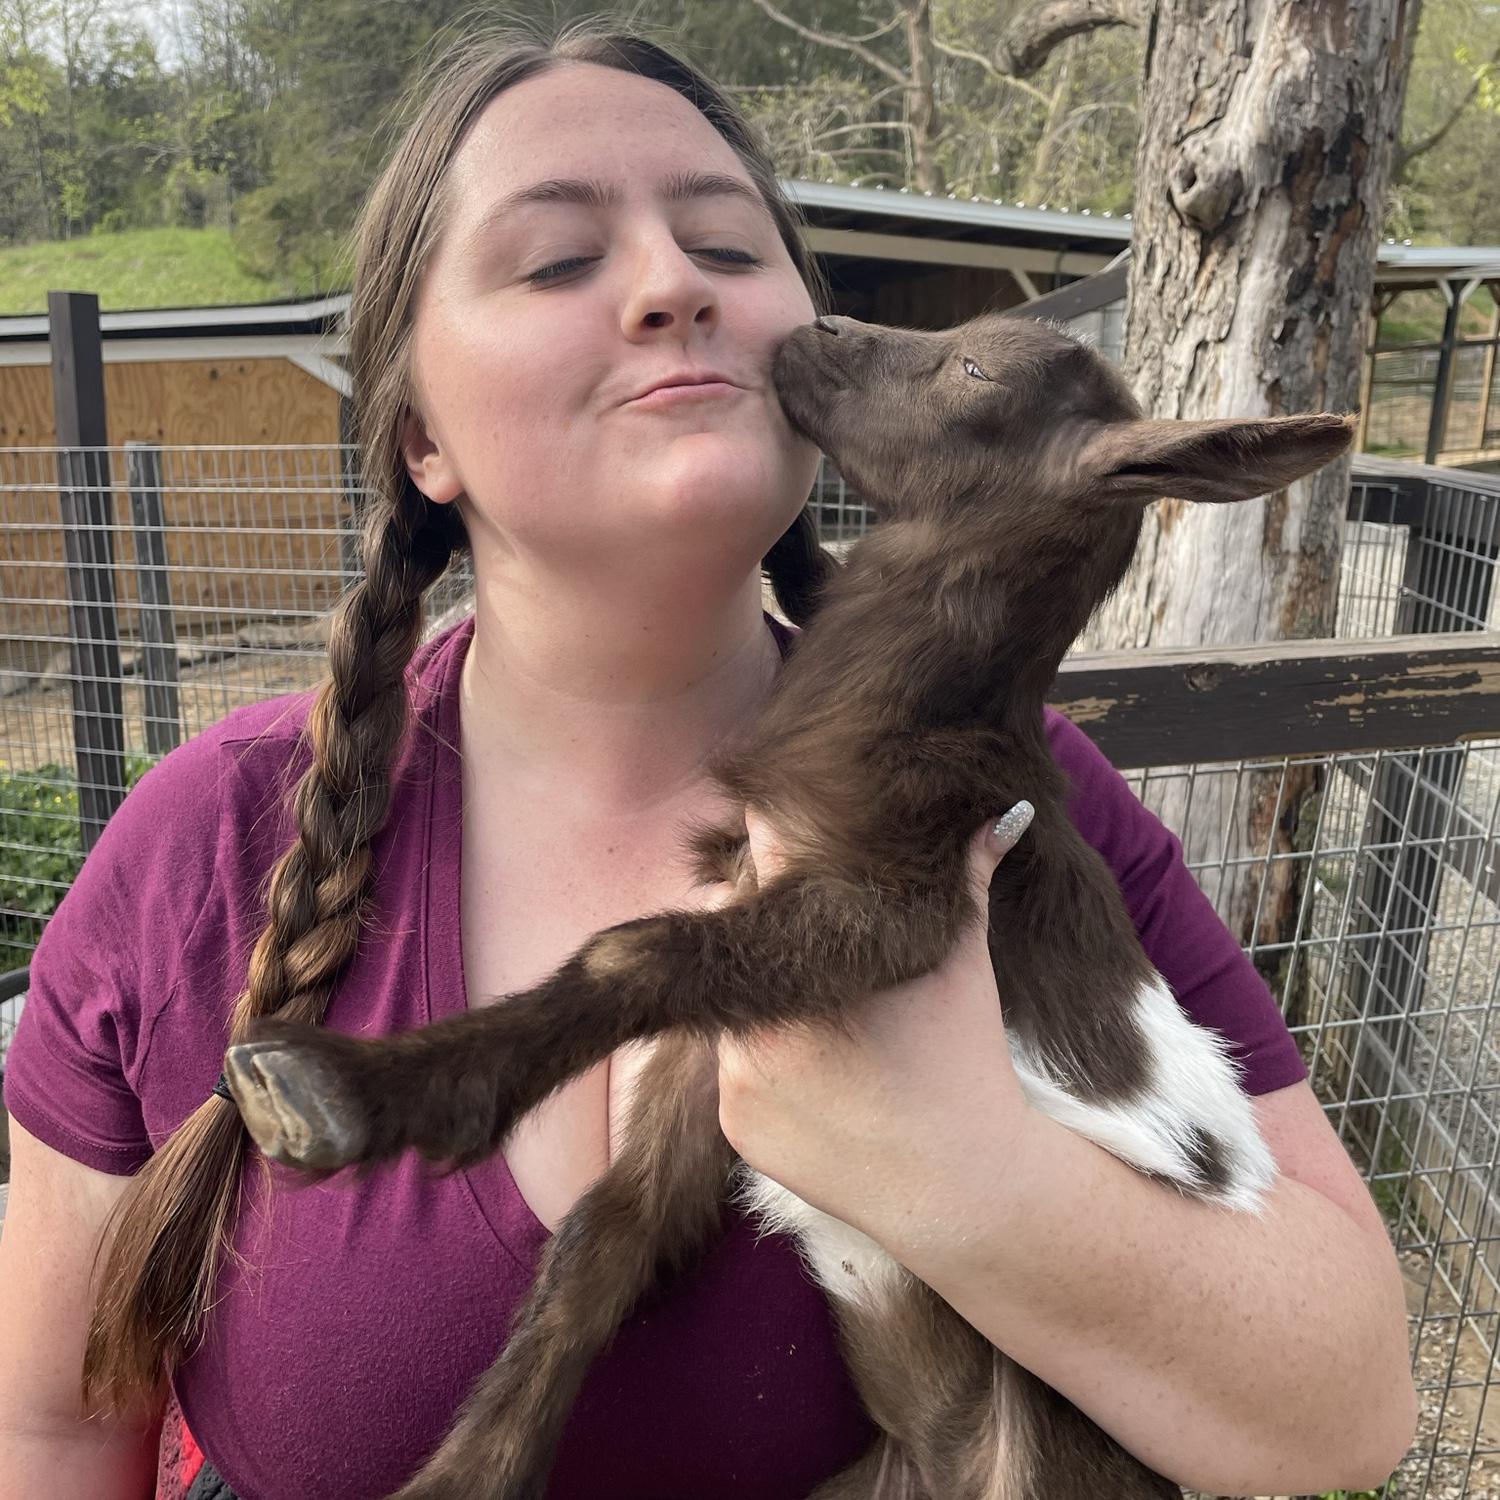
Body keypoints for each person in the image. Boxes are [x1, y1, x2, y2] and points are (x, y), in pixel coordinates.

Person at [0, 19, 1416, 1500]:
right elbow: (51, 1429)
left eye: (729, 248)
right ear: (422, 438)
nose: (672, 284)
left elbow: (1347, 1407)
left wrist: (969, 1170)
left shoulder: (1019, 812)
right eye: (556, 261)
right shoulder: (203, 851)